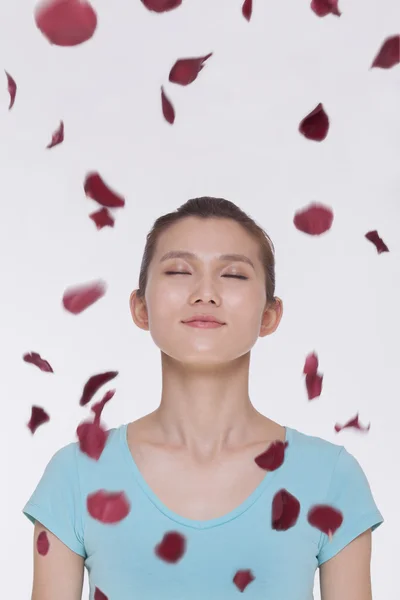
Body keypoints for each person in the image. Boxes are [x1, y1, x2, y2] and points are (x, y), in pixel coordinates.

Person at [23, 196, 384, 599]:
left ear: (270, 314)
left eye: (233, 275)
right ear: (140, 308)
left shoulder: (331, 477)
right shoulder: (74, 476)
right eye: (179, 270)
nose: (205, 293)